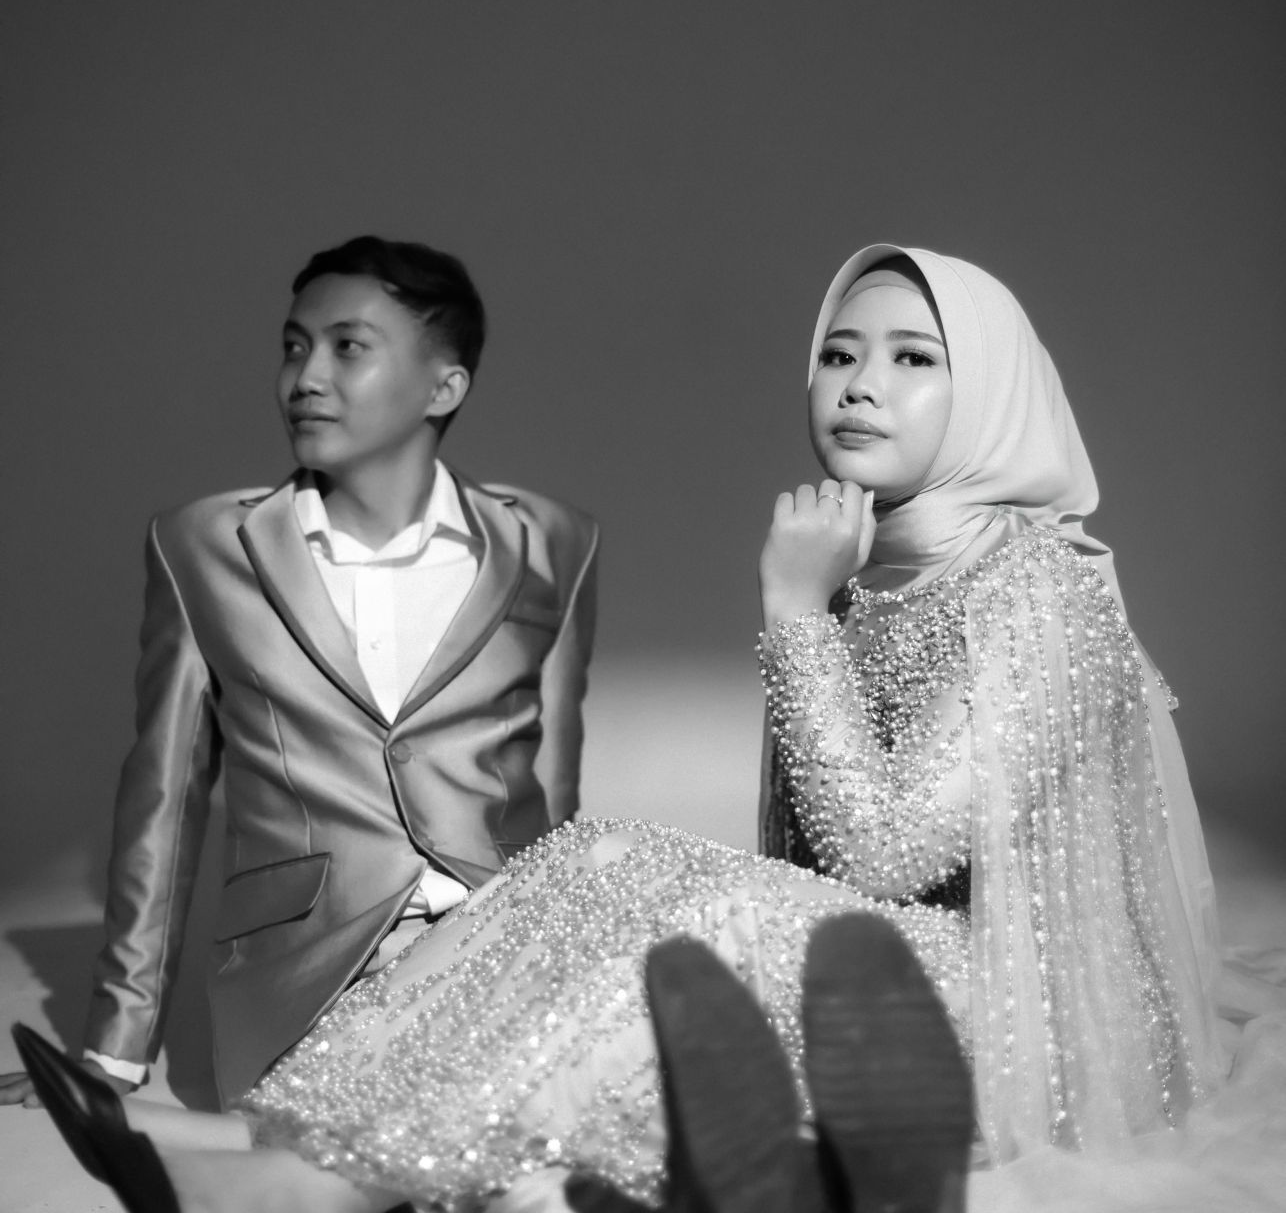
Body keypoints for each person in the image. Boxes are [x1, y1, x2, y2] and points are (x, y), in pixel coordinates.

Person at [13, 243, 1279, 1213]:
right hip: (886, 968)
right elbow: (818, 869)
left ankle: (310, 1188)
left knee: (677, 906)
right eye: (839, 353)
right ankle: (275, 1140)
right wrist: (817, 609)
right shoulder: (865, 572)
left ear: (989, 391)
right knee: (597, 857)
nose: (858, 384)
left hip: (1004, 1015)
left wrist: (790, 610)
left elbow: (883, 859)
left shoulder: (1037, 587)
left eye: (912, 358)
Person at [1, 235, 600, 1109]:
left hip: (505, 950)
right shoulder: (204, 546)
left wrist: (572, 973)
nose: (305, 376)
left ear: (445, 387)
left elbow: (555, 789)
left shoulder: (552, 540)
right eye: (293, 346)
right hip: (309, 977)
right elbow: (164, 804)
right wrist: (112, 1056)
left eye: (347, 347)